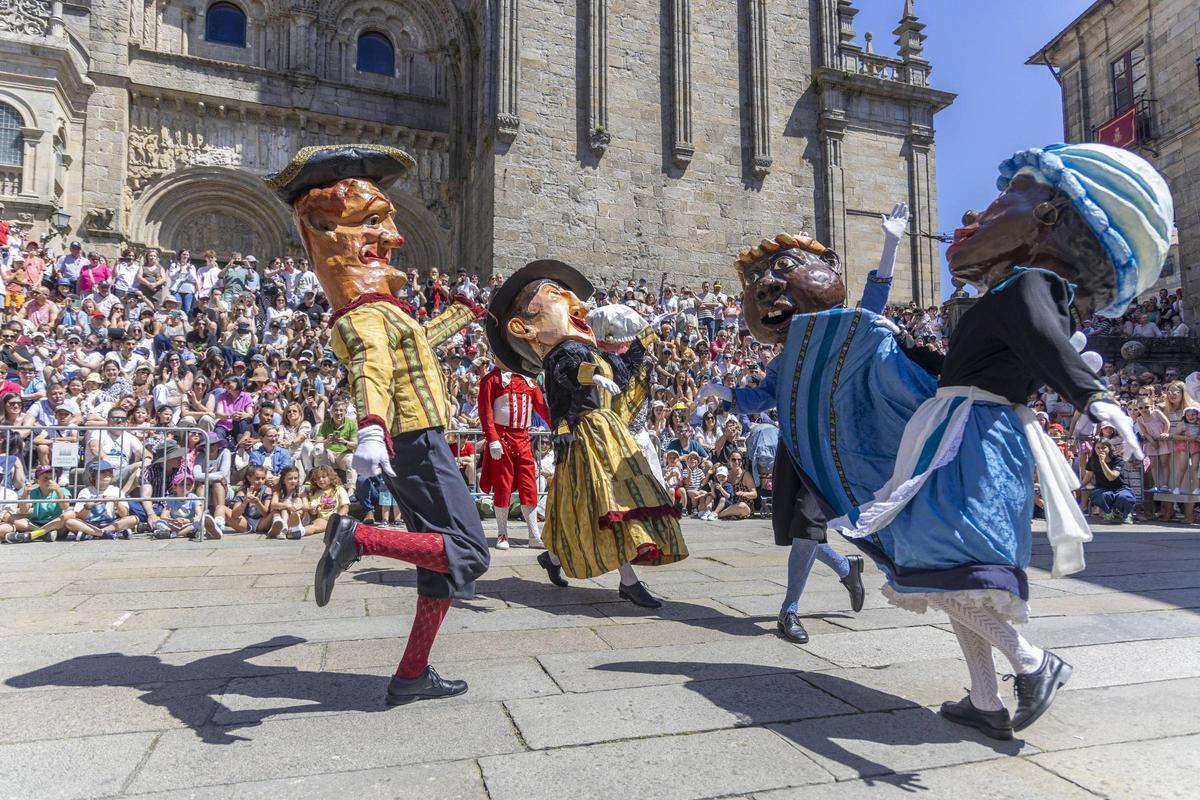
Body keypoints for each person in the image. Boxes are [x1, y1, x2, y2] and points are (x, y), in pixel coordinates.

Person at [801, 144, 1170, 739]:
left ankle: (1031, 661)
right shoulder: (1015, 291)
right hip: (968, 426)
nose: (980, 212)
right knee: (949, 565)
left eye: (1006, 198)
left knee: (933, 561)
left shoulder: (1032, 283)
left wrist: (1093, 396)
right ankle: (985, 699)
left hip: (972, 435)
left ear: (1050, 214)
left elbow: (1043, 339)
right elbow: (987, 356)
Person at [265, 143, 490, 704]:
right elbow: (373, 365)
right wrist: (371, 427)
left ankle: (411, 674)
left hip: (414, 438)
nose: (395, 236)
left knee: (437, 565)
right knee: (469, 551)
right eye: (373, 221)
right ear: (324, 229)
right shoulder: (362, 315)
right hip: (414, 440)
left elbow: (409, 351)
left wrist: (462, 315)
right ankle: (356, 538)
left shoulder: (380, 311)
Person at [486, 259, 687, 608]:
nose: (576, 301)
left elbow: (621, 377)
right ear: (525, 328)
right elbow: (564, 381)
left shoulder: (586, 349)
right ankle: (628, 581)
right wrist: (589, 376)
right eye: (555, 294)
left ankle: (553, 558)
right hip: (585, 434)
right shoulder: (560, 354)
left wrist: (642, 339)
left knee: (582, 507)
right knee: (608, 502)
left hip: (606, 430)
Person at [478, 364, 549, 549]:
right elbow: (485, 411)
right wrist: (492, 439)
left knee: (529, 486)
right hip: (502, 439)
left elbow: (543, 408)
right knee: (503, 486)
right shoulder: (492, 379)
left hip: (524, 439)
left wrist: (559, 426)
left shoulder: (530, 381)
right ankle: (502, 534)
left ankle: (534, 534)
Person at [63, 461, 138, 541]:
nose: (107, 474)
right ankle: (105, 533)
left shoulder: (116, 490)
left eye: (110, 471)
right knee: (69, 522)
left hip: (110, 523)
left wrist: (115, 501)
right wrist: (87, 507)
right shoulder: (85, 492)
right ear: (94, 476)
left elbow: (125, 514)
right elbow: (79, 516)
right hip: (88, 524)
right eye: (103, 472)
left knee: (134, 519)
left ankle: (94, 533)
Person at [5, 466, 71, 543]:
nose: (49, 481)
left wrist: (58, 490)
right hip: (36, 524)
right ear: (37, 481)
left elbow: (65, 507)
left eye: (52, 478)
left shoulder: (63, 490)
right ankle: (43, 533)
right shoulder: (33, 492)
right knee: (11, 517)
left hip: (56, 525)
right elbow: (23, 511)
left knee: (70, 514)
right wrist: (25, 494)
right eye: (45, 478)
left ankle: (37, 533)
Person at [1084, 439, 1135, 524]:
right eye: (1098, 448)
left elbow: (1111, 477)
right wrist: (1079, 486)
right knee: (1103, 496)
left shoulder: (1118, 460)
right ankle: (1108, 512)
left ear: (1109, 448)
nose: (1101, 450)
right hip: (1102, 488)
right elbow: (1089, 475)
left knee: (1124, 497)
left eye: (1104, 447)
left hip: (1120, 488)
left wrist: (1103, 462)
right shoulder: (1092, 460)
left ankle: (1126, 514)